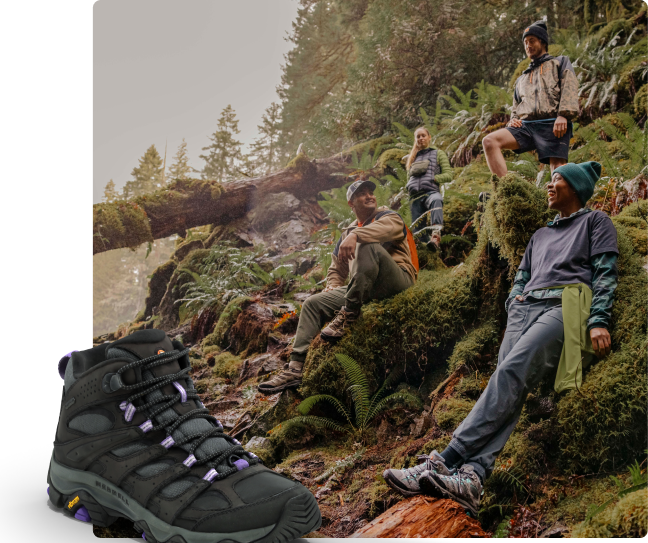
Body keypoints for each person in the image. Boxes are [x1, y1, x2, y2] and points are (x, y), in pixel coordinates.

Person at [383, 162, 619, 516]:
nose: (550, 186)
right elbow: (521, 275)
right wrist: (515, 298)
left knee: (510, 374)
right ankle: (472, 480)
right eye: (551, 180)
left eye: (558, 180)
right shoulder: (540, 235)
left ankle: (442, 460)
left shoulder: (596, 222)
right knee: (509, 383)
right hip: (525, 309)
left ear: (577, 188)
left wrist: (599, 320)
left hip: (565, 305)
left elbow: (604, 273)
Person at [258, 180, 418, 395]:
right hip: (364, 287)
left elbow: (384, 231)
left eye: (371, 192)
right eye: (362, 194)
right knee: (313, 303)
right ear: (351, 203)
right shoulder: (347, 233)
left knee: (365, 242)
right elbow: (336, 269)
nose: (370, 196)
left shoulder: (388, 216)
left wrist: (356, 235)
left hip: (398, 279)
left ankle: (349, 313)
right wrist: (333, 286)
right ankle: (295, 368)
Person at [482, 20, 579, 179]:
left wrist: (564, 115)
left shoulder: (559, 63)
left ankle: (560, 201)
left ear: (543, 42)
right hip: (526, 126)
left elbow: (570, 87)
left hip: (553, 123)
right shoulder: (522, 78)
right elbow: (516, 105)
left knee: (558, 172)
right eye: (525, 42)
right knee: (489, 142)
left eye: (532, 41)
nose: (528, 45)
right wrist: (513, 120)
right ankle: (506, 190)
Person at [406, 127, 453, 250]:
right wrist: (409, 186)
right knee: (418, 230)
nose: (421, 138)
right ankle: (423, 253)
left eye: (423, 135)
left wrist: (434, 178)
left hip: (431, 191)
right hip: (415, 196)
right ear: (415, 140)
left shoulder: (438, 153)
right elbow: (409, 177)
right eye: (418, 136)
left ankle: (436, 237)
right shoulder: (412, 158)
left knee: (437, 201)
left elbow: (449, 175)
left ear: (429, 137)